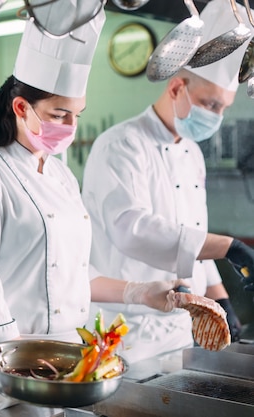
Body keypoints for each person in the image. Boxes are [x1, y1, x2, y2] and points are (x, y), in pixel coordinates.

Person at [0, 6, 187, 417]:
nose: (70, 127)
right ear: (21, 108)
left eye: (76, 116)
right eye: (59, 115)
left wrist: (141, 292)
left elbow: (72, 273)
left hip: (69, 373)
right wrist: (20, 361)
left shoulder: (61, 176)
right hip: (6, 382)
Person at [81, 0, 254, 366]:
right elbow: (132, 228)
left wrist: (220, 298)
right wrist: (228, 247)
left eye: (223, 107)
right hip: (123, 332)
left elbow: (192, 236)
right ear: (176, 88)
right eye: (210, 104)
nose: (217, 117)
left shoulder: (190, 152)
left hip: (178, 331)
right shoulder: (120, 145)